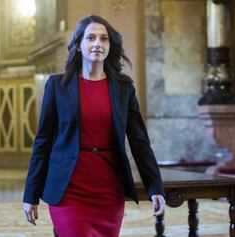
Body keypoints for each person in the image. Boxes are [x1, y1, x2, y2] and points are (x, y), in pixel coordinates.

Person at [23, 15, 166, 237]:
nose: (98, 43)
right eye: (90, 38)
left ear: (110, 46)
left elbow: (139, 141)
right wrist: (30, 194)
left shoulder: (123, 88)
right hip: (69, 188)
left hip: (109, 188)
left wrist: (155, 186)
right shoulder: (57, 86)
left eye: (104, 39)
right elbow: (42, 142)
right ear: (79, 45)